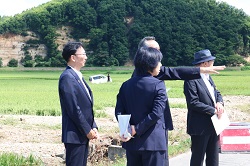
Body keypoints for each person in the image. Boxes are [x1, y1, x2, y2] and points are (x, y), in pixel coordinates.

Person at [115, 46, 168, 166]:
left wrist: (127, 129)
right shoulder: (158, 85)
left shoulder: (126, 85)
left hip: (132, 143)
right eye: (159, 62)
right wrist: (136, 129)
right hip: (153, 143)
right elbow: (156, 113)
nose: (160, 65)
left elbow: (119, 111)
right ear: (151, 64)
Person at [58, 41, 99, 166]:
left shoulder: (77, 76)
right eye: (83, 54)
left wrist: (93, 126)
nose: (86, 57)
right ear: (73, 57)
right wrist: (87, 130)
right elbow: (73, 108)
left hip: (82, 134)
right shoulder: (67, 77)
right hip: (75, 134)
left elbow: (86, 106)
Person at [183, 49, 224, 166]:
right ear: (204, 64)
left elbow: (217, 93)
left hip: (214, 124)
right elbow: (193, 102)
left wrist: (220, 103)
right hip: (199, 126)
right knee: (198, 158)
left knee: (213, 158)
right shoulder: (191, 79)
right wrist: (213, 110)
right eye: (212, 62)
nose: (213, 64)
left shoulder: (208, 77)